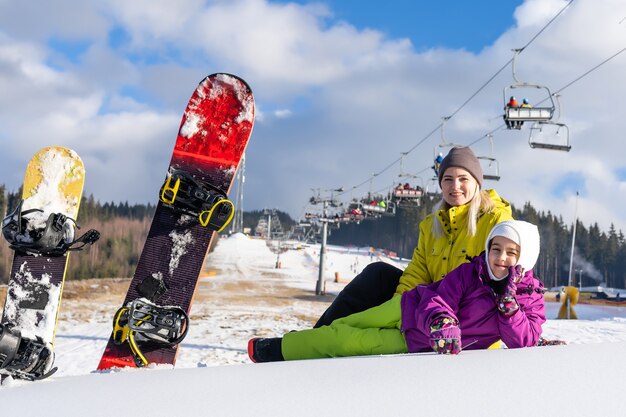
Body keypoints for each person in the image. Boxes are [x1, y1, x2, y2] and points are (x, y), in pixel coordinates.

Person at [248, 220, 545, 362]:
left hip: (414, 342)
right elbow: (441, 298)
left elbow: (523, 341)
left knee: (345, 340)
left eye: (511, 252)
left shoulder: (528, 297)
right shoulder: (471, 272)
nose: (501, 258)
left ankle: (276, 351)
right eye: (496, 248)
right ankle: (296, 344)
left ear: (526, 258)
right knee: (346, 322)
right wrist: (443, 322)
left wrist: (510, 308)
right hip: (408, 307)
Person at [312, 146, 513, 329]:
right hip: (432, 305)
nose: (455, 186)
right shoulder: (432, 224)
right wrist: (396, 309)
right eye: (448, 179)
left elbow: (510, 272)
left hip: (466, 316)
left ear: (476, 183)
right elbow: (418, 272)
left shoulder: (494, 219)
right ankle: (322, 332)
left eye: (463, 179)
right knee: (378, 274)